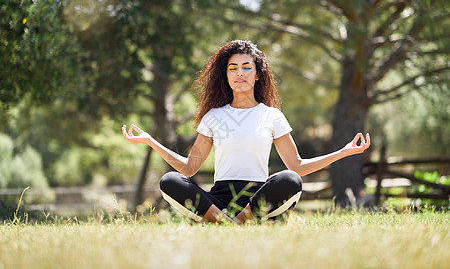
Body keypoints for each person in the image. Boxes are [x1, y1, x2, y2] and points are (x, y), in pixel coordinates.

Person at [122, 40, 370, 224]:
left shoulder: (272, 115)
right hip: (218, 201)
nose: (239, 73)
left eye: (246, 67)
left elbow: (297, 166)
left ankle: (238, 221)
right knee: (170, 181)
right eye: (233, 68)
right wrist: (151, 141)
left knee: (290, 180)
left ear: (257, 74)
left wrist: (344, 152)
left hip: (259, 199)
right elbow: (189, 169)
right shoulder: (213, 116)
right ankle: (226, 221)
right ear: (226, 75)